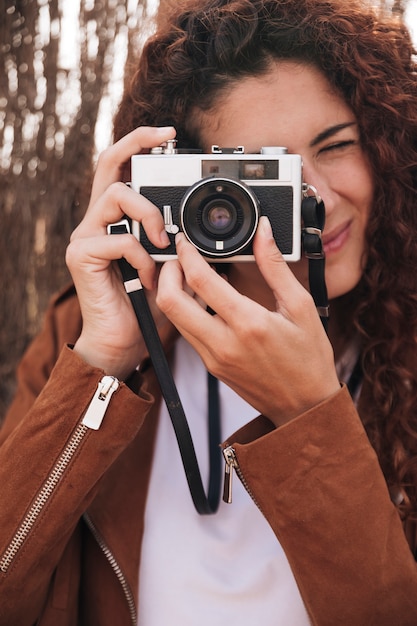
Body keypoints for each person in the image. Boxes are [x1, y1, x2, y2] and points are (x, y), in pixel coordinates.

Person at [1, 0, 417, 623]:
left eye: (336, 146)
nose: (317, 200)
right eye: (264, 174)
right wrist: (106, 359)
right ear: (185, 189)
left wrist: (310, 414)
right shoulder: (85, 337)